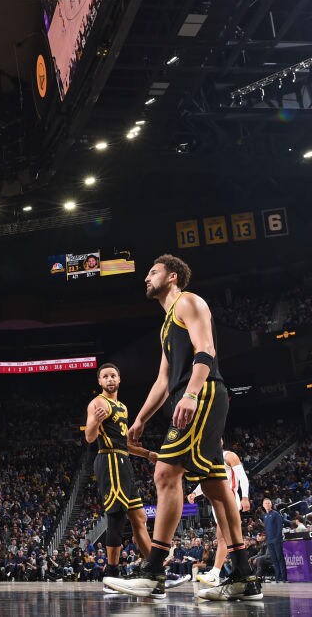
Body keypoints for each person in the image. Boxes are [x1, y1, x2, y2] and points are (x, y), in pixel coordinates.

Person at [104, 255, 261, 602]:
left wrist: (190, 393)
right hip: (189, 395)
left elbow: (207, 350)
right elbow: (162, 380)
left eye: (153, 272)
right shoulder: (165, 325)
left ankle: (154, 572)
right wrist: (141, 418)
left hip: (201, 392)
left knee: (165, 473)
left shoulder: (189, 301)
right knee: (217, 487)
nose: (146, 277)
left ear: (172, 276)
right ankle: (245, 578)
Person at [82, 362, 155, 590]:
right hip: (109, 460)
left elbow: (124, 443)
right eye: (105, 377)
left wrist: (147, 453)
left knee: (140, 517)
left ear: (119, 379)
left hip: (123, 461)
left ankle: (154, 569)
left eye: (113, 375)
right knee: (116, 517)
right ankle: (111, 576)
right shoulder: (98, 403)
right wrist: (94, 421)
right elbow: (90, 438)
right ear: (100, 382)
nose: (110, 379)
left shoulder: (122, 407)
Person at [188, 443, 251, 586]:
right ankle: (237, 572)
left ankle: (217, 572)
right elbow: (206, 483)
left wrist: (245, 497)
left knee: (225, 538)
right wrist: (194, 493)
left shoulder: (229, 456)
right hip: (216, 502)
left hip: (230, 498)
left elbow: (242, 477)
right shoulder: (208, 460)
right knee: (223, 539)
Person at [261, 498, 287, 582]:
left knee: (280, 558)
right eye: (265, 503)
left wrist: (277, 538)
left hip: (277, 540)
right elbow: (267, 529)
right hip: (269, 541)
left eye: (268, 503)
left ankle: (284, 577)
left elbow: (280, 527)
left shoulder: (276, 514)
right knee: (274, 559)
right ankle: (277, 577)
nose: (267, 505)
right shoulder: (264, 516)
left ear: (271, 504)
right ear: (263, 505)